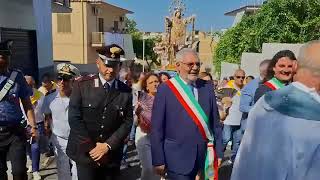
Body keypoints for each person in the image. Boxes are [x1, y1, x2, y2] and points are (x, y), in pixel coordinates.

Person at [231, 40, 320, 180]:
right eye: (282, 66)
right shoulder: (264, 93)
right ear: (273, 68)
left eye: (289, 66)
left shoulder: (265, 102)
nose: (286, 69)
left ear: (295, 65)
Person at [151, 48, 223, 180]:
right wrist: (158, 159)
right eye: (190, 64)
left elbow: (215, 123)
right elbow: (157, 128)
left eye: (198, 64)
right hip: (177, 159)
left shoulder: (207, 87)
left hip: (205, 156)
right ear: (178, 66)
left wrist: (219, 152)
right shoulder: (165, 89)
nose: (195, 68)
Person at [66, 44, 133, 180]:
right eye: (106, 65)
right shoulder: (82, 85)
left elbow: (127, 121)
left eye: (114, 66)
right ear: (98, 63)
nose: (110, 70)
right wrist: (92, 148)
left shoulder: (125, 91)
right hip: (85, 152)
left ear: (119, 66)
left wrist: (107, 145)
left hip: (111, 154)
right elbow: (74, 118)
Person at [0, 40, 37, 180]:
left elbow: (27, 104)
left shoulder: (17, 76)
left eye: (6, 57)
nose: (3, 60)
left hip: (15, 131)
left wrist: (33, 126)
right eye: (1, 57)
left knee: (19, 172)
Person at [42, 63, 80, 180]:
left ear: (73, 80)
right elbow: (47, 117)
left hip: (77, 139)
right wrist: (47, 131)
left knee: (78, 171)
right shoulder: (49, 98)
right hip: (59, 139)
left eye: (66, 79)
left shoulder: (79, 98)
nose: (62, 82)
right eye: (59, 78)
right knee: (62, 169)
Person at [135, 73, 161, 180]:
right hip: (144, 136)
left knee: (157, 169)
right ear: (146, 86)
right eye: (151, 82)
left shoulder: (164, 99)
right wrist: (137, 113)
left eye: (156, 81)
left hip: (159, 138)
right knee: (148, 169)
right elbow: (134, 122)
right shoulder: (141, 99)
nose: (155, 84)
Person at [239, 59, 270, 131]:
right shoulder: (250, 86)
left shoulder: (275, 83)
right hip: (252, 128)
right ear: (267, 71)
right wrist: (260, 108)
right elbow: (243, 107)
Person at [222, 69, 246, 163]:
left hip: (240, 120)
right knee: (226, 139)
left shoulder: (245, 89)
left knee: (237, 141)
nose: (241, 79)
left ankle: (233, 159)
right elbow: (221, 102)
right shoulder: (228, 87)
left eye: (243, 77)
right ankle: (219, 155)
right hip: (228, 120)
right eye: (238, 77)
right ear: (234, 76)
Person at [24, 76, 45, 180]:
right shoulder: (20, 95)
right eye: (26, 85)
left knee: (35, 147)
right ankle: (32, 163)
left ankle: (36, 170)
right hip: (24, 125)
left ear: (33, 84)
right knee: (28, 147)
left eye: (30, 85)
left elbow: (44, 111)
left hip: (37, 125)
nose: (28, 87)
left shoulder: (39, 95)